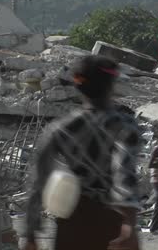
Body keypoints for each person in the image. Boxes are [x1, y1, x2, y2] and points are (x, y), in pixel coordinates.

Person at [24, 55, 141, 250]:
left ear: (78, 86)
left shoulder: (59, 129)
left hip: (72, 223)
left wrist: (30, 233)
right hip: (112, 224)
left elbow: (38, 184)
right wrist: (128, 222)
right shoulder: (124, 126)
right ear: (111, 86)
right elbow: (124, 174)